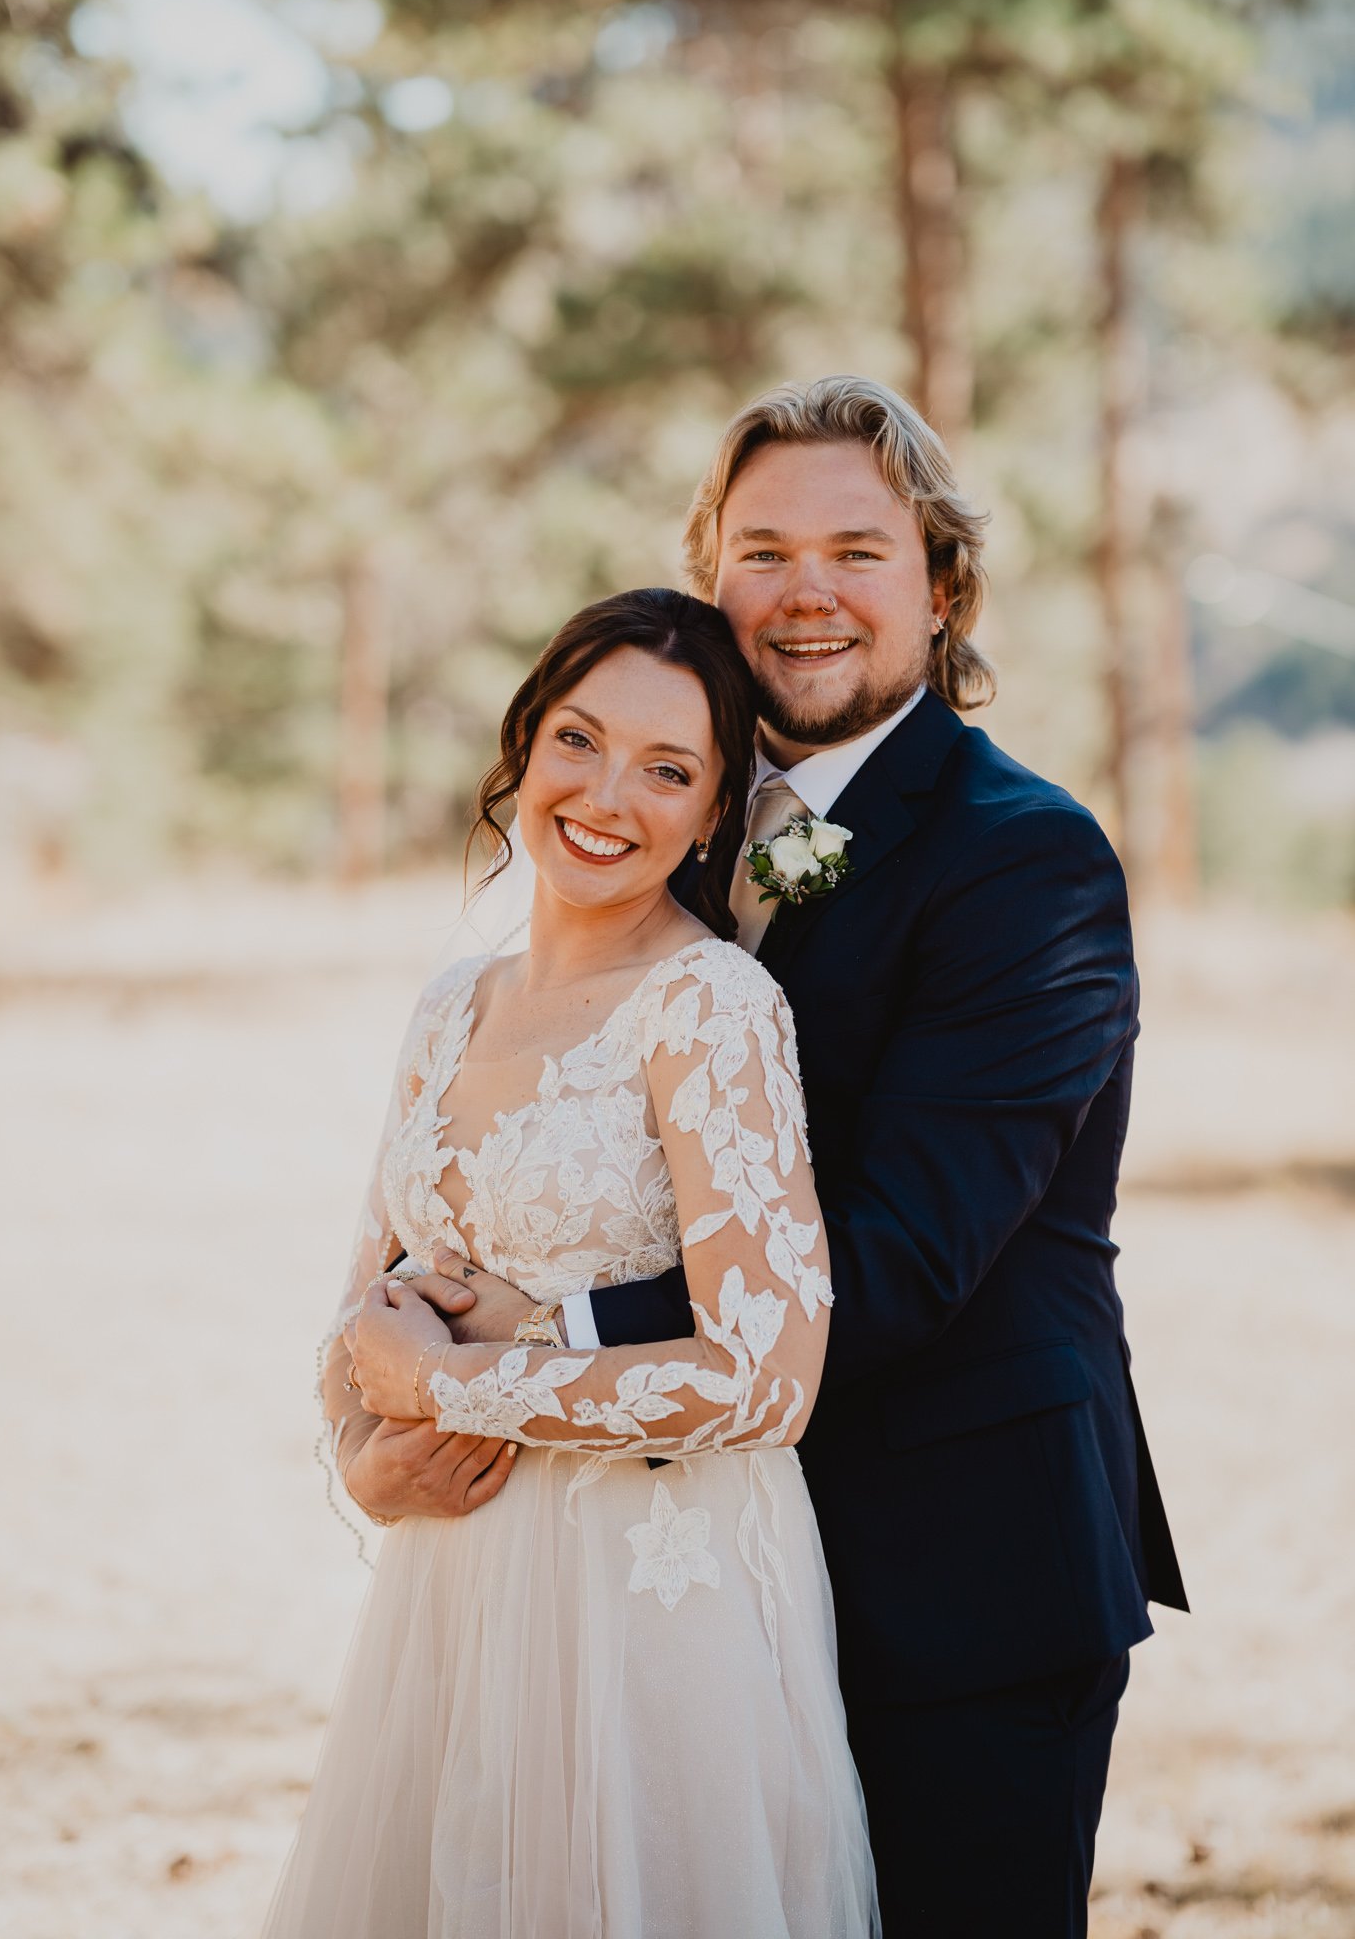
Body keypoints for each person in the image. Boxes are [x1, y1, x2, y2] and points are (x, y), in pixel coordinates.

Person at [417, 376, 1189, 1938]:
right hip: (682, 1574)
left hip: (956, 1574)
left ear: (940, 585)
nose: (805, 594)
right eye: (762, 550)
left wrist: (527, 1343)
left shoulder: (1022, 861)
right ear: (711, 573)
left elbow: (897, 1258)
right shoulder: (673, 813)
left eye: (856, 549)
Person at [262, 587, 879, 1939]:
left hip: (653, 1605)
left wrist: (457, 1387)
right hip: (457, 1588)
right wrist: (368, 1456)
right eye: (579, 741)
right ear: (524, 744)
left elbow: (766, 1382)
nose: (607, 795)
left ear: (717, 812)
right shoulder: (452, 1003)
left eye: (668, 769)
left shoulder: (711, 1011)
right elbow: (369, 1315)